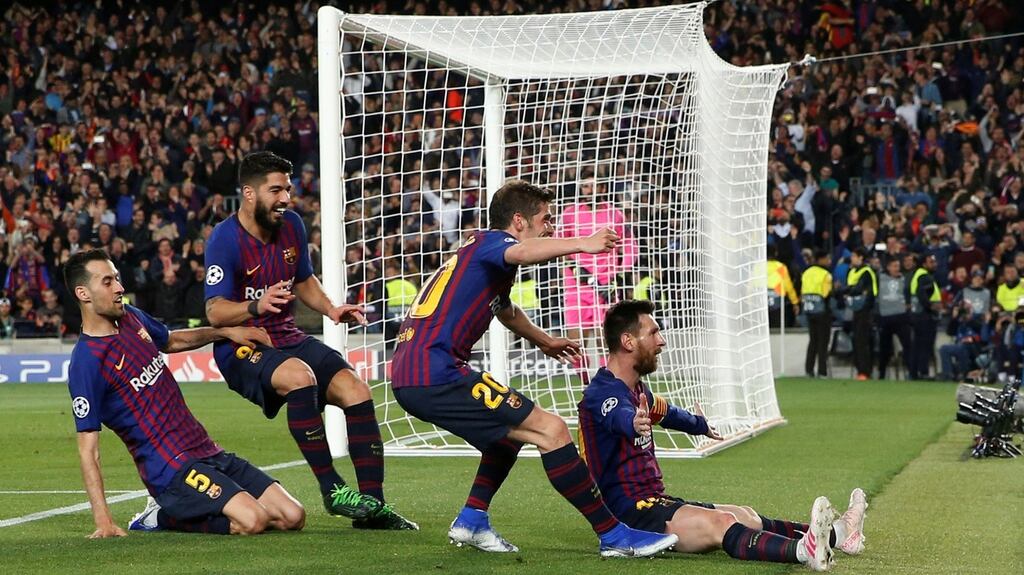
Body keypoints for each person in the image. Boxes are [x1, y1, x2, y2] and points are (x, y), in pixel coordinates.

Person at [390, 179, 677, 557]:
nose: (552, 227)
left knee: (507, 437)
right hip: (435, 371)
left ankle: (473, 519)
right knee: (551, 429)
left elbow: (505, 310)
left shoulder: (477, 253)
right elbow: (523, 253)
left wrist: (544, 339)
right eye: (546, 219)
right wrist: (583, 243)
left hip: (417, 372)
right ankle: (615, 536)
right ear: (520, 221)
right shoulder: (496, 244)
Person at [204, 151, 414, 529]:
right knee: (299, 377)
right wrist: (256, 304)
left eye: (288, 188)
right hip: (242, 345)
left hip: (287, 336)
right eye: (276, 190)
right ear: (249, 194)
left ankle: (373, 507)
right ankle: (333, 490)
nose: (286, 198)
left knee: (356, 390)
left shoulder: (293, 226)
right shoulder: (224, 239)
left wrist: (331, 309)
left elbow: (303, 280)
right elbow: (215, 311)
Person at [579, 300, 868, 571]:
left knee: (747, 516)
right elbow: (617, 416)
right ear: (628, 342)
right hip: (628, 514)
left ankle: (840, 534)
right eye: (653, 333)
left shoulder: (638, 391)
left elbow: (668, 414)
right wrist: (633, 423)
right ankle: (805, 552)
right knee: (720, 523)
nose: (661, 341)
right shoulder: (603, 394)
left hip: (653, 501)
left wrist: (699, 424)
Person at [64, 249, 305, 537]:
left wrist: (225, 333)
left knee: (293, 516)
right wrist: (103, 520)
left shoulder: (131, 318)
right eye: (107, 282)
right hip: (170, 470)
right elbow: (87, 449)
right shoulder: (87, 363)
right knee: (252, 521)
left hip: (205, 448)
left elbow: (171, 340)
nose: (119, 287)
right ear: (83, 293)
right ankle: (160, 516)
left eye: (116, 278)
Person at [557, 177, 637, 366]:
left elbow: (630, 245)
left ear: (602, 188)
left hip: (605, 287)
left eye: (593, 186)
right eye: (585, 186)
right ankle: (584, 383)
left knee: (607, 341)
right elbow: (558, 246)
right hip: (576, 288)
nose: (588, 190)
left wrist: (619, 275)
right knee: (575, 344)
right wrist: (577, 271)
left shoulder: (615, 214)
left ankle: (605, 384)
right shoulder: (570, 214)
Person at [876, 257, 912, 379]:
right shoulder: (880, 278)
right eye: (894, 266)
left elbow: (908, 295)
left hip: (901, 317)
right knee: (884, 348)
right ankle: (881, 374)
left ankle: (912, 373)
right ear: (888, 267)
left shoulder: (904, 279)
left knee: (907, 346)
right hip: (885, 317)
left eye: (898, 266)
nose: (897, 268)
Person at [907, 253, 941, 380]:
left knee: (917, 344)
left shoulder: (917, 274)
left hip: (918, 314)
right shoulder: (924, 277)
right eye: (931, 262)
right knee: (925, 345)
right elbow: (922, 294)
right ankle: (923, 372)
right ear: (924, 264)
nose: (934, 264)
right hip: (925, 316)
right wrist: (931, 307)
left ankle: (914, 372)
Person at [846, 247, 877, 380]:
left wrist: (846, 291)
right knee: (856, 339)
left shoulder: (867, 272)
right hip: (854, 308)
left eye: (854, 256)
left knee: (862, 340)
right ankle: (860, 369)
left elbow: (860, 289)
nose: (852, 258)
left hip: (865, 310)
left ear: (861, 258)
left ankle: (865, 371)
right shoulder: (852, 271)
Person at [801, 249, 833, 377]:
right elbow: (826, 293)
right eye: (827, 259)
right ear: (821, 259)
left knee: (813, 341)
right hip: (822, 311)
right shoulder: (826, 274)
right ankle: (822, 371)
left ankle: (809, 370)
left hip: (809, 309)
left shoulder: (806, 272)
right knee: (822, 342)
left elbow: (802, 290)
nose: (829, 261)